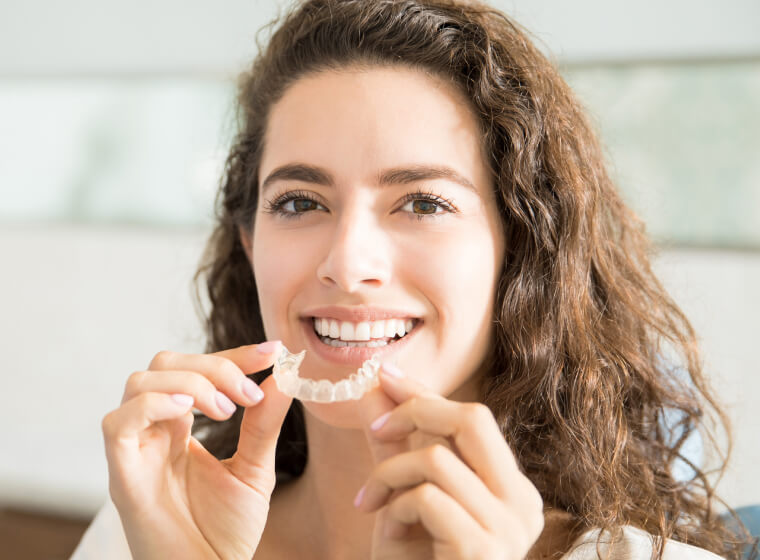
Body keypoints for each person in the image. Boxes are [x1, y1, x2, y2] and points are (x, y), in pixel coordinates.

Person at [72, 0, 756, 558]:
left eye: (424, 203)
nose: (347, 263)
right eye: (300, 202)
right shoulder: (146, 528)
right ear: (249, 243)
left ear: (521, 253)